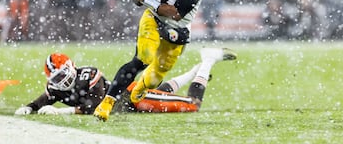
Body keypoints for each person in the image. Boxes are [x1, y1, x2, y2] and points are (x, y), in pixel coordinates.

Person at [93, 0, 214, 121]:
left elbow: (176, 13)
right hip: (154, 17)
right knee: (143, 58)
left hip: (178, 28)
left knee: (155, 77)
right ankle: (107, 103)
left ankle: (140, 87)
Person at [14, 48, 237, 115]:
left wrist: (60, 112)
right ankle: (196, 71)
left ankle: (208, 59)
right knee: (162, 92)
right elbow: (45, 99)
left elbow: (94, 107)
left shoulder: (88, 76)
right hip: (133, 102)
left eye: (63, 74)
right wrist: (29, 107)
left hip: (133, 98)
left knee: (191, 105)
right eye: (57, 78)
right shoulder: (56, 88)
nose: (62, 81)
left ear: (72, 68)